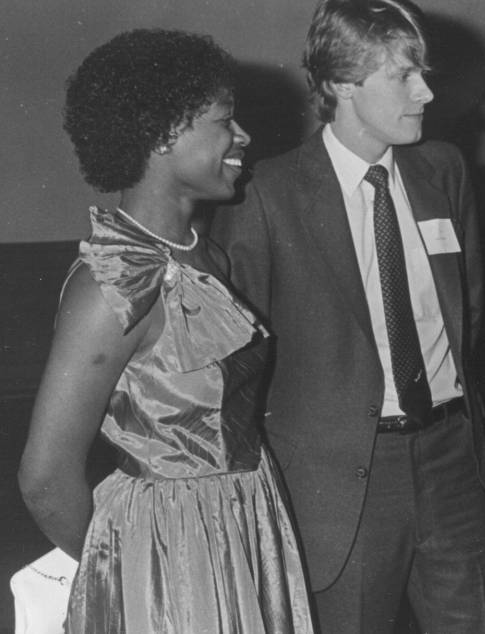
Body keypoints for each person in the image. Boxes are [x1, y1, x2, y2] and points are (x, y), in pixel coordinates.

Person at [210, 1, 485, 632]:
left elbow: (467, 311)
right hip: (340, 485)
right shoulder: (267, 193)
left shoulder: (442, 171)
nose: (425, 91)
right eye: (403, 75)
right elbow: (238, 365)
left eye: (423, 71)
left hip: (453, 462)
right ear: (341, 83)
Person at [18, 29, 313, 632]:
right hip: (169, 552)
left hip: (245, 521)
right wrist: (126, 574)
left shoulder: (206, 256)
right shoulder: (110, 287)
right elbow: (45, 478)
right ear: (161, 135)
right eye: (225, 122)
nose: (243, 137)